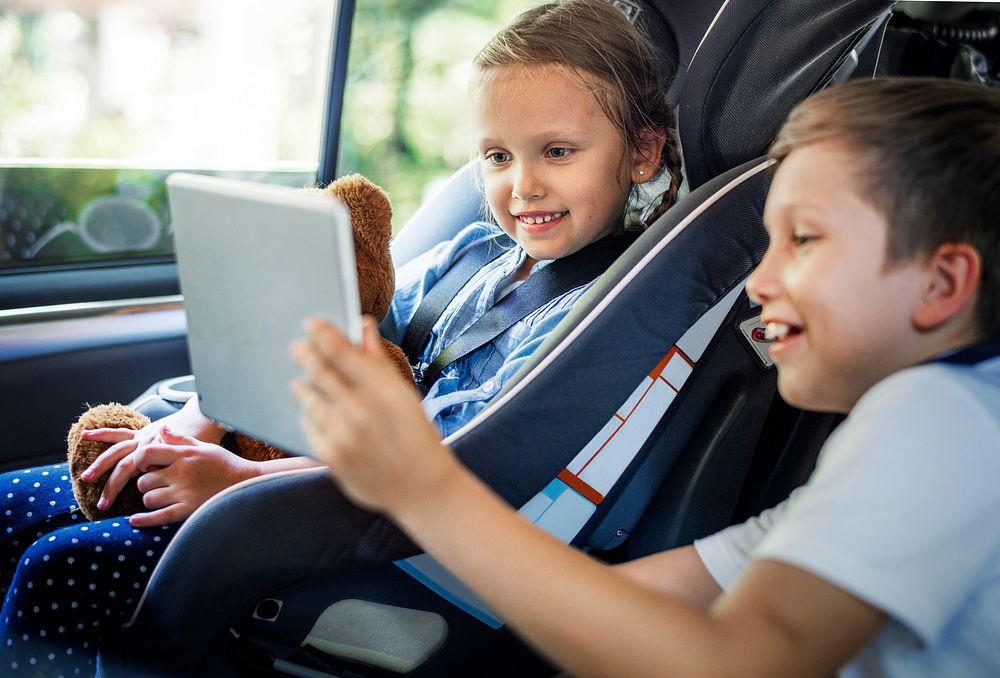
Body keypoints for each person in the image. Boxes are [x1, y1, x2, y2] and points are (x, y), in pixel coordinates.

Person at [0, 0, 683, 673]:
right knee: (11, 502)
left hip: (362, 536)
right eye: (497, 156)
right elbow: (329, 327)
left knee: (58, 569)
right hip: (303, 462)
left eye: (558, 152)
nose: (521, 186)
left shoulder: (601, 314)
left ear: (643, 152)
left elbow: (447, 462)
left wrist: (240, 481)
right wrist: (203, 418)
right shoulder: (473, 253)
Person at [291, 76, 1000, 678]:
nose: (759, 282)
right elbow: (619, 607)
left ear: (942, 283)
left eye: (804, 240)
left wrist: (422, 486)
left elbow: (737, 662)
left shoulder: (946, 416)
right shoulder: (906, 449)